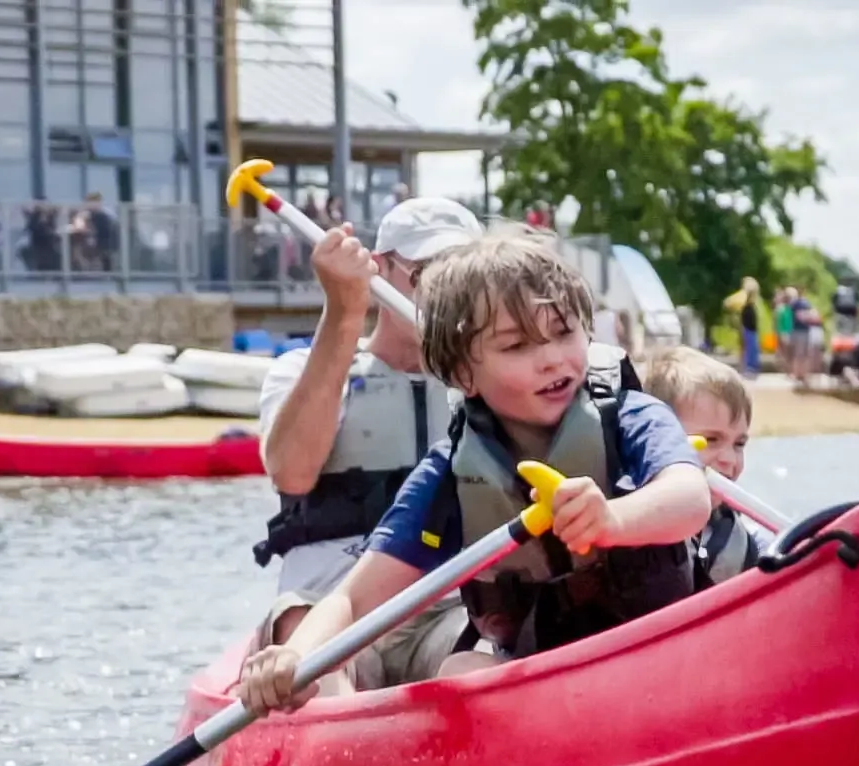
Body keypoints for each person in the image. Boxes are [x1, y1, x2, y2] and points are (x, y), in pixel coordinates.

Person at [238, 229, 711, 715]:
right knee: (463, 672)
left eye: (565, 332)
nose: (551, 358)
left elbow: (689, 497)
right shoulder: (450, 471)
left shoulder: (633, 415)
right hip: (542, 675)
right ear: (464, 374)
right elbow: (354, 600)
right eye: (516, 346)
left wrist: (613, 520)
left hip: (661, 650)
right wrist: (296, 656)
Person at [252, 196, 484, 693]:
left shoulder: (493, 383)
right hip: (328, 610)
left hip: (451, 610)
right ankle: (333, 755)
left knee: (490, 654)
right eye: (426, 274)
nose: (445, 296)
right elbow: (292, 472)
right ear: (378, 272)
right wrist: (343, 312)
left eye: (461, 279)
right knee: (313, 653)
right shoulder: (299, 370)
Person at [640, 346, 773, 588]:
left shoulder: (754, 547)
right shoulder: (628, 527)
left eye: (739, 444)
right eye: (711, 440)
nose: (729, 460)